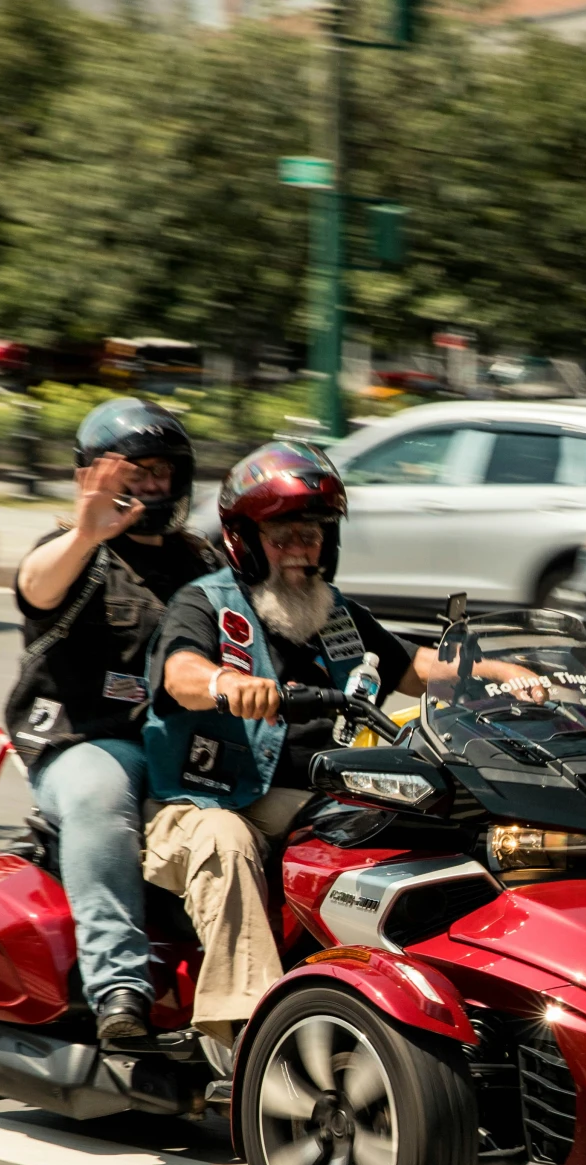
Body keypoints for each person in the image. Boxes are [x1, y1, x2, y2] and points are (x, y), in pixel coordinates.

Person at [141, 443, 424, 1055]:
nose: (301, 547)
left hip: (316, 797)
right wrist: (227, 684)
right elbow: (180, 674)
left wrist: (522, 673)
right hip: (201, 802)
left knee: (429, 824)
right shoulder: (206, 604)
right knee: (227, 841)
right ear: (245, 539)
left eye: (314, 532)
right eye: (283, 534)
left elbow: (422, 668)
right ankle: (250, 1040)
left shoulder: (337, 615)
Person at [8, 396, 218, 1045]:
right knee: (105, 791)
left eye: (162, 471)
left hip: (187, 747)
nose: (152, 484)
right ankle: (118, 985)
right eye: (137, 470)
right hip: (88, 742)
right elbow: (35, 588)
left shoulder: (202, 561)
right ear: (96, 475)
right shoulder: (72, 550)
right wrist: (84, 531)